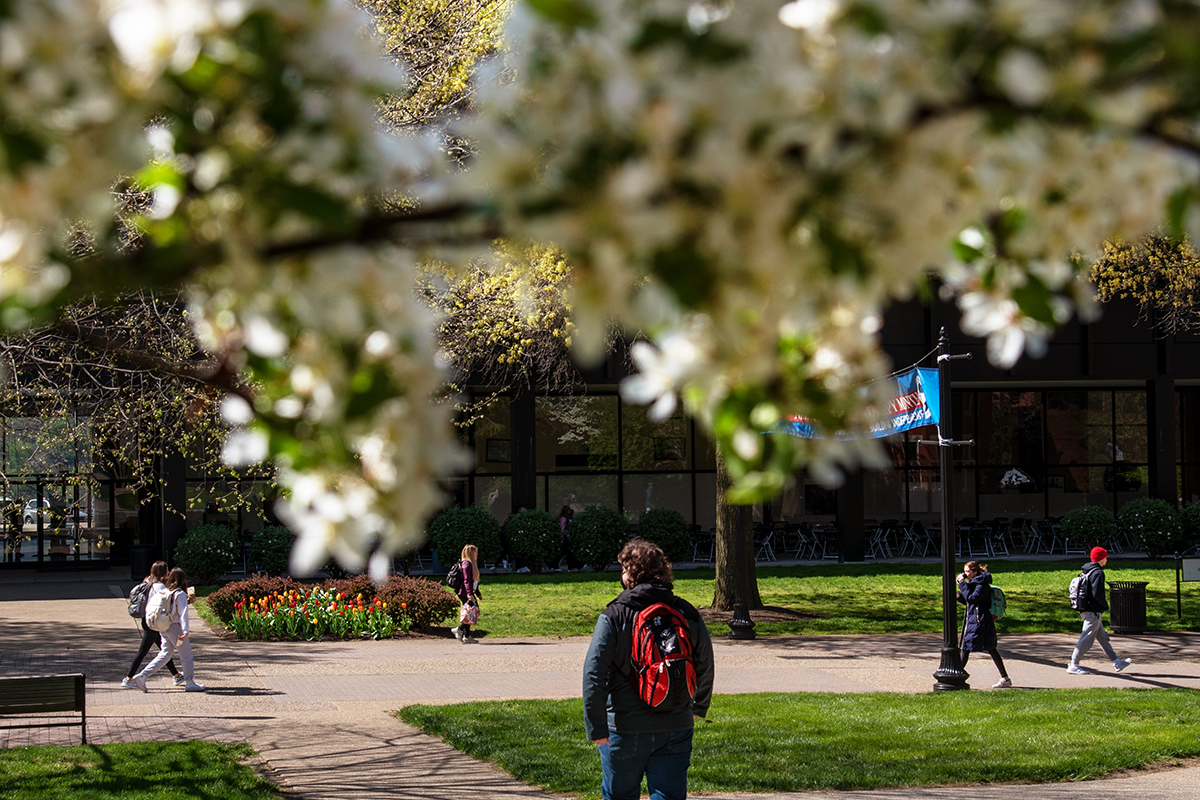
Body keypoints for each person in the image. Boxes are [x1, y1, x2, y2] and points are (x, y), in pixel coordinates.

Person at [583, 540, 714, 800]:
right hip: (676, 723)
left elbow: (594, 673)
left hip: (623, 725)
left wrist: (596, 727)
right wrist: (699, 706)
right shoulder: (685, 612)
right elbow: (705, 661)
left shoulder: (614, 615)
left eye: (623, 569)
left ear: (631, 574)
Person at [131, 567, 205, 692]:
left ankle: (143, 675)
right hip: (176, 628)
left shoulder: (165, 591)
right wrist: (185, 631)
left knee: (165, 654)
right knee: (186, 655)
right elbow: (183, 614)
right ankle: (189, 681)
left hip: (165, 627)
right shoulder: (180, 594)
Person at [1067, 546, 1133, 675]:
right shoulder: (1098, 572)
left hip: (1086, 610)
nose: (1107, 560)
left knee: (1102, 638)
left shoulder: (1086, 571)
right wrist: (1104, 606)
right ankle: (1074, 664)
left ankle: (1117, 661)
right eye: (1105, 557)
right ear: (1101, 559)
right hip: (1093, 612)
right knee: (1085, 639)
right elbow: (1098, 593)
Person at [121, 560, 181, 689]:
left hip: (149, 620)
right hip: (154, 622)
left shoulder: (148, 581)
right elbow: (166, 602)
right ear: (162, 572)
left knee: (164, 650)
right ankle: (128, 678)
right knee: (144, 651)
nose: (168, 572)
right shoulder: (160, 586)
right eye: (166, 570)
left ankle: (176, 675)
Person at [956, 561, 1011, 689]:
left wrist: (962, 584)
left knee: (967, 646)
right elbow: (969, 601)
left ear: (975, 572)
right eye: (965, 571)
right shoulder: (975, 584)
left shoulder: (982, 585)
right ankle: (1005, 678)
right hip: (977, 620)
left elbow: (972, 598)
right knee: (988, 648)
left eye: (968, 571)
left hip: (981, 622)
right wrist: (959, 596)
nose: (965, 574)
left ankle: (957, 674)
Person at [453, 544, 482, 644]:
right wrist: (469, 594)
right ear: (470, 553)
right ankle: (459, 630)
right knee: (471, 611)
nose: (477, 554)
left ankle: (466, 635)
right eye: (475, 552)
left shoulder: (471, 564)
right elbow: (467, 580)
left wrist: (477, 593)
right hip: (464, 592)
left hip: (468, 592)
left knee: (471, 612)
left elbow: (474, 581)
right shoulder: (467, 564)